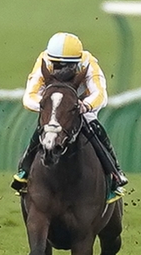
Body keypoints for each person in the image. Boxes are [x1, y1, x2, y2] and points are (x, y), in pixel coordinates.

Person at [11, 32, 128, 192]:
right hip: (54, 101)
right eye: (57, 65)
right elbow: (29, 96)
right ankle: (24, 170)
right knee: (45, 126)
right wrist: (52, 107)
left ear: (77, 61)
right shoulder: (44, 60)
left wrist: (84, 105)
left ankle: (114, 171)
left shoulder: (88, 63)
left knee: (93, 126)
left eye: (67, 65)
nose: (61, 69)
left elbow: (100, 95)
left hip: (81, 102)